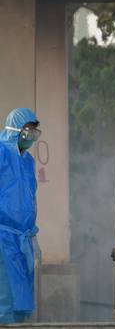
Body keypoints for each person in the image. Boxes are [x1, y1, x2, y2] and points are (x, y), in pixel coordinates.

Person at [0, 108, 41, 323]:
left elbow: (29, 197)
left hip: (22, 237)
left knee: (22, 299)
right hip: (2, 236)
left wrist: (31, 232)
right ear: (15, 128)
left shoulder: (28, 161)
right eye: (28, 128)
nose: (32, 134)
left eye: (35, 130)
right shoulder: (1, 153)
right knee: (5, 294)